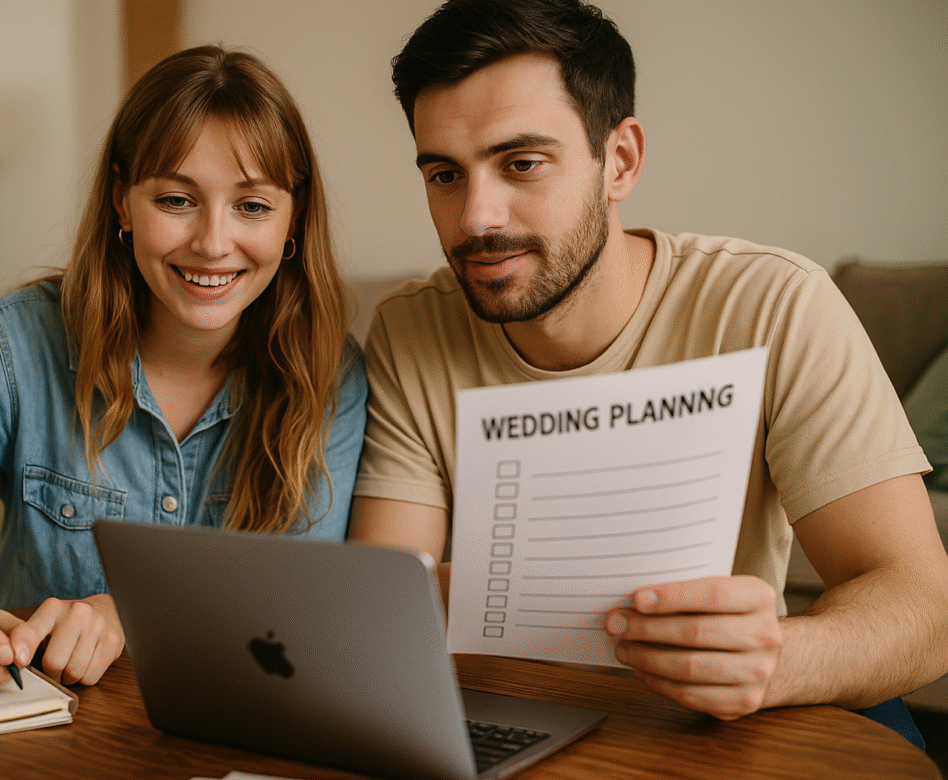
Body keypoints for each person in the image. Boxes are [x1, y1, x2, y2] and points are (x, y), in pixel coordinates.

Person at [349, 0, 948, 728]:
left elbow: (923, 606)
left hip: (716, 723)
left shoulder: (774, 303)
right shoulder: (410, 328)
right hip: (520, 715)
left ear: (620, 161)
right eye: (445, 175)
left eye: (522, 163)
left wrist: (776, 658)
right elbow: (386, 606)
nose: (478, 218)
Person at [0, 45, 367, 700]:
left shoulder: (330, 374)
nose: (214, 243)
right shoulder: (14, 343)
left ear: (292, 217)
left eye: (252, 206)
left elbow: (308, 602)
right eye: (176, 199)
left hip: (241, 730)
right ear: (122, 203)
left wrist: (130, 614)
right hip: (41, 735)